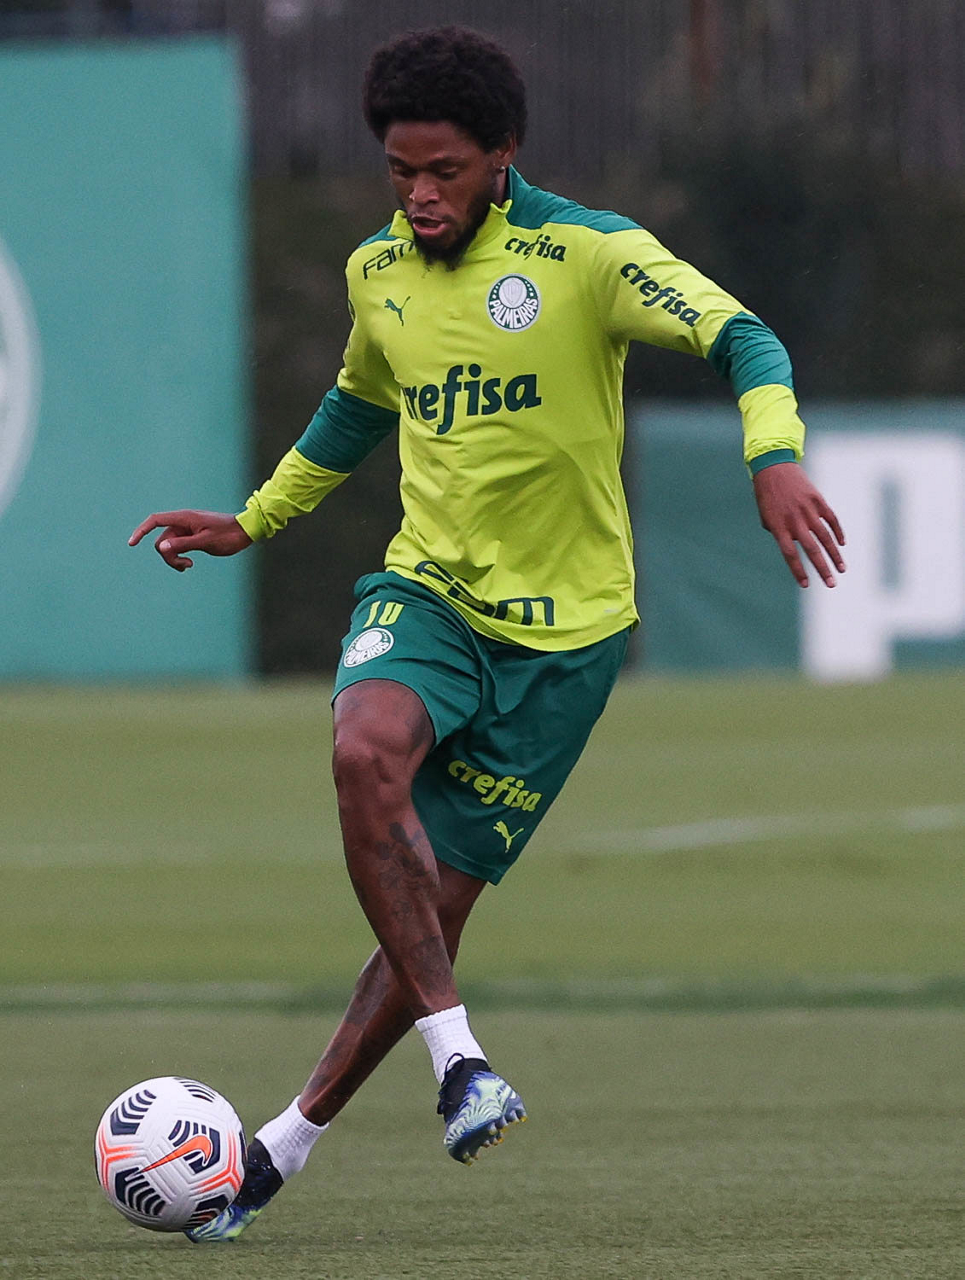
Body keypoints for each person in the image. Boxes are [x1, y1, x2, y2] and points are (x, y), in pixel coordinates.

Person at [130, 25, 845, 1243]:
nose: (418, 195)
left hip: (565, 646)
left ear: (502, 153)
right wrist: (255, 518)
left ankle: (279, 1147)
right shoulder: (376, 271)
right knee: (362, 748)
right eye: (399, 170)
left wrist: (770, 456)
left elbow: (745, 337)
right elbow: (357, 405)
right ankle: (459, 1057)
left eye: (443, 171)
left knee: (431, 912)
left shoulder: (587, 254)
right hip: (430, 595)